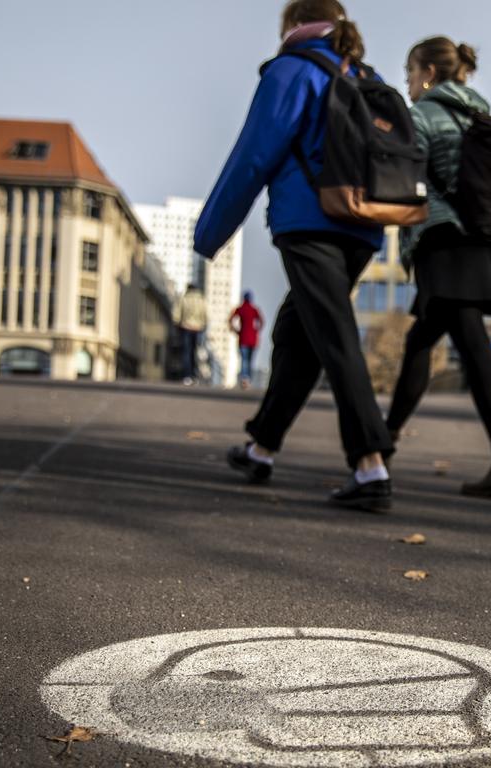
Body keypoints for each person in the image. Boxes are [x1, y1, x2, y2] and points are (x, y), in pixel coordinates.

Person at [193, 0, 394, 511]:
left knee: (333, 334)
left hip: (310, 223)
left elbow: (253, 155)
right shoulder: (363, 72)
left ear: (293, 24)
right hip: (363, 226)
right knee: (297, 333)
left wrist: (209, 234)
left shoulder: (292, 70)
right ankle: (261, 447)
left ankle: (370, 464)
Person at [384, 36, 491, 502]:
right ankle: (378, 447)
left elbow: (403, 182)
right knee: (422, 342)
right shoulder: (484, 120)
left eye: (410, 72)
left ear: (429, 72)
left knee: (470, 346)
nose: (408, 83)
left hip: (443, 242)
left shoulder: (421, 116)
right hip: (486, 245)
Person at [173, 283, 207, 386]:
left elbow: (176, 313)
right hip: (198, 328)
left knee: (186, 352)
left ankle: (187, 376)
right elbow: (205, 314)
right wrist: (203, 324)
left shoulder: (184, 298)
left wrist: (177, 323)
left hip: (186, 327)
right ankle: (193, 375)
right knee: (194, 351)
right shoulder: (202, 299)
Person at [230, 291, 264, 389]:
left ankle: (245, 378)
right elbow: (262, 321)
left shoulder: (240, 309)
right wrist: (257, 330)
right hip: (253, 339)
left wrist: (235, 330)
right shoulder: (255, 310)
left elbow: (230, 319)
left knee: (244, 360)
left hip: (243, 338)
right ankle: (247, 379)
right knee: (249, 360)